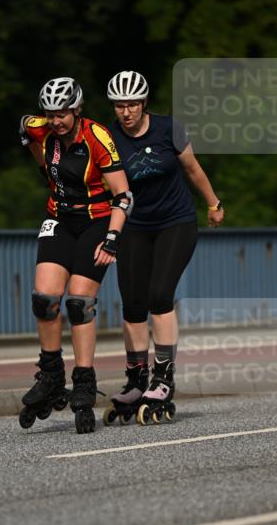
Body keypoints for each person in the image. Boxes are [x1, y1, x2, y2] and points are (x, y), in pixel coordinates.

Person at [103, 69, 224, 425]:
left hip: (176, 222)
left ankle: (164, 377)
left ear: (144, 103)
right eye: (119, 105)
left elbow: (192, 168)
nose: (126, 112)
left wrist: (213, 203)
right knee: (133, 303)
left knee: (159, 294)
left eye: (132, 104)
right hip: (135, 225)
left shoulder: (169, 128)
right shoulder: (108, 137)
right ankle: (136, 378)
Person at [18, 77, 133, 433]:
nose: (57, 121)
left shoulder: (97, 138)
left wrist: (112, 238)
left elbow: (124, 196)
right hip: (60, 217)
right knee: (44, 299)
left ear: (77, 109)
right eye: (51, 114)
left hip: (97, 221)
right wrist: (40, 161)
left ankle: (83, 382)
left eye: (64, 113)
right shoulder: (42, 128)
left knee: (79, 304)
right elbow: (26, 127)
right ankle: (51, 374)